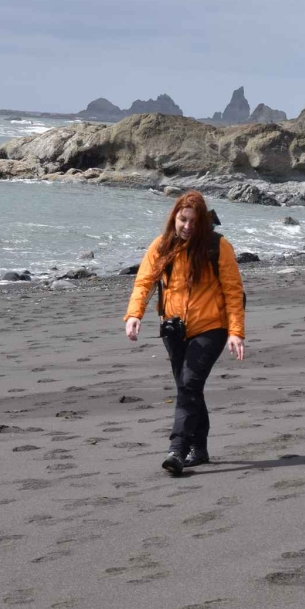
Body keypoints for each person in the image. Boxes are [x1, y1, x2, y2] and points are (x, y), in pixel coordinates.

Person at [124, 190, 246, 477]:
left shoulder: (218, 246)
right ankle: (199, 449)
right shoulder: (161, 245)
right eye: (183, 220)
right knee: (189, 388)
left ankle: (177, 449)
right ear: (174, 218)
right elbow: (144, 282)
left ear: (202, 221)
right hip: (174, 330)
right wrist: (134, 315)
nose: (187, 226)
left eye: (193, 221)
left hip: (211, 328)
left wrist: (236, 331)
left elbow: (233, 291)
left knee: (189, 385)